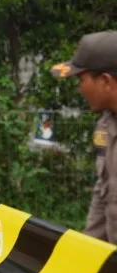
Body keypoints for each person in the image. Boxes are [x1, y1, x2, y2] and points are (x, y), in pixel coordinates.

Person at [50, 30, 117, 244]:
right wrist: (88, 252)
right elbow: (103, 193)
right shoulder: (106, 125)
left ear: (106, 81)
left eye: (82, 79)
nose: (80, 89)